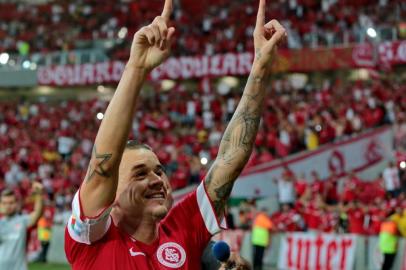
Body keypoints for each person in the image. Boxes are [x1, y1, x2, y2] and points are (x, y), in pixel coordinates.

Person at [64, 0, 286, 269]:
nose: (157, 179)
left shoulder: (183, 226)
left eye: (159, 170)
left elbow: (231, 157)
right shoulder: (92, 239)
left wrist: (260, 67)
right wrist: (136, 68)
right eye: (140, 173)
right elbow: (102, 170)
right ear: (112, 194)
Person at [0, 182, 44, 270]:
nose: (8, 206)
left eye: (11, 203)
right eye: (4, 203)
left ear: (16, 204)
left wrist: (39, 195)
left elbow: (37, 214)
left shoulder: (23, 220)